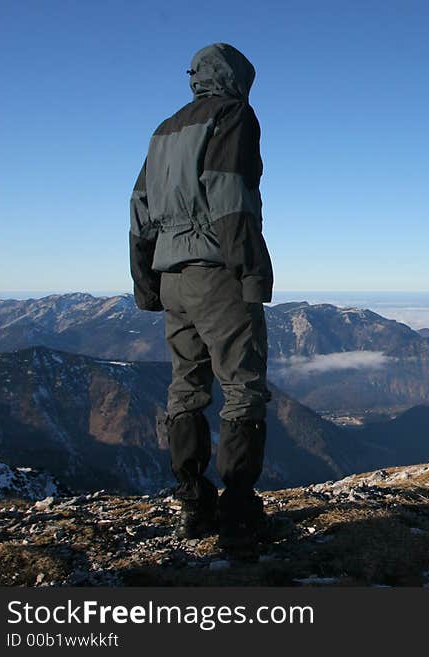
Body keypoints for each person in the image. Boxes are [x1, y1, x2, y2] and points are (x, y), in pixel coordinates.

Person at [128, 43, 274, 549]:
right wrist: (251, 273)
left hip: (171, 276)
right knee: (243, 385)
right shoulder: (234, 115)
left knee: (185, 387)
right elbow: (230, 195)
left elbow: (140, 209)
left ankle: (193, 503)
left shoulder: (165, 129)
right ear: (238, 79)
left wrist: (146, 285)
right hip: (217, 272)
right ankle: (238, 512)